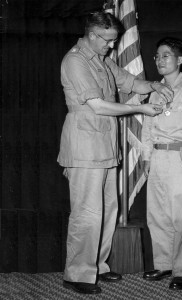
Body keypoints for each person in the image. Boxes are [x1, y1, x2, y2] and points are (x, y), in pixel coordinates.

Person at [57, 11, 173, 295]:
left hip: (106, 147)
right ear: (93, 35)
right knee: (87, 213)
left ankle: (97, 266)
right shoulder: (75, 60)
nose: (111, 46)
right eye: (108, 40)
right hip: (84, 148)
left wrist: (155, 85)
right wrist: (140, 108)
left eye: (114, 40)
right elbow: (99, 106)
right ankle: (78, 274)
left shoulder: (102, 60)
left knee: (109, 210)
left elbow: (131, 83)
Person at [141, 37, 182, 290]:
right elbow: (148, 125)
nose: (159, 60)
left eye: (166, 55)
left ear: (179, 60)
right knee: (156, 214)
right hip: (157, 156)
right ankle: (164, 263)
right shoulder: (156, 91)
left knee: (179, 215)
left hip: (179, 156)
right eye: (157, 56)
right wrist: (147, 156)